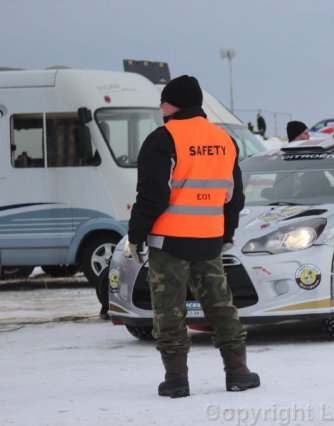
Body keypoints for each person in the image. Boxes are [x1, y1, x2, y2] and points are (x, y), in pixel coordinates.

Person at [126, 75, 259, 398]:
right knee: (220, 306)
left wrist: (136, 234)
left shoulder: (163, 138)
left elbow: (152, 195)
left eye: (163, 100)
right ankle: (238, 372)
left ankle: (176, 379)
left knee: (169, 311)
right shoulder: (224, 139)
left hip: (169, 243)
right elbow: (234, 195)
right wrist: (226, 232)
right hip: (209, 241)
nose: (160, 106)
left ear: (175, 104)